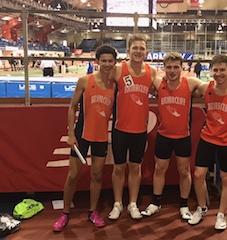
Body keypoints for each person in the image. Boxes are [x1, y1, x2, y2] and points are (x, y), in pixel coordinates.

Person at [52, 44, 117, 232]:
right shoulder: (85, 81)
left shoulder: (115, 86)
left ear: (114, 63)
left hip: (101, 136)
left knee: (97, 175)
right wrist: (71, 134)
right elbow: (72, 107)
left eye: (110, 61)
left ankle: (92, 212)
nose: (106, 64)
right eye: (103, 60)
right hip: (82, 135)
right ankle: (64, 213)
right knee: (73, 175)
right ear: (97, 62)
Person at [188, 54, 227, 230]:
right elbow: (186, 84)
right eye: (215, 70)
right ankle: (201, 208)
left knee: (226, 177)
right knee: (198, 175)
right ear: (210, 71)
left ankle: (221, 214)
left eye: (223, 70)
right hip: (207, 137)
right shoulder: (205, 88)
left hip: (226, 141)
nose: (219, 73)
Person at [140, 52, 203, 220]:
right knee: (159, 169)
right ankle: (156, 202)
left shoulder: (190, 83)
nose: (172, 71)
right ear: (164, 68)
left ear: (182, 68)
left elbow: (211, 87)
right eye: (169, 67)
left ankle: (183, 205)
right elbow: (142, 75)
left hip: (183, 136)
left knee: (184, 171)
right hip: (163, 135)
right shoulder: (159, 83)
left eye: (176, 67)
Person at [108, 34, 157, 220]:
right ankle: (117, 203)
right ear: (128, 51)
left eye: (141, 48)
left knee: (135, 168)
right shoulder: (119, 70)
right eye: (135, 48)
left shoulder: (151, 72)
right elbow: (100, 80)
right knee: (119, 168)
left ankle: (133, 203)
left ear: (146, 52)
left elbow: (165, 88)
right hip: (120, 128)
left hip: (140, 130)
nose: (138, 51)